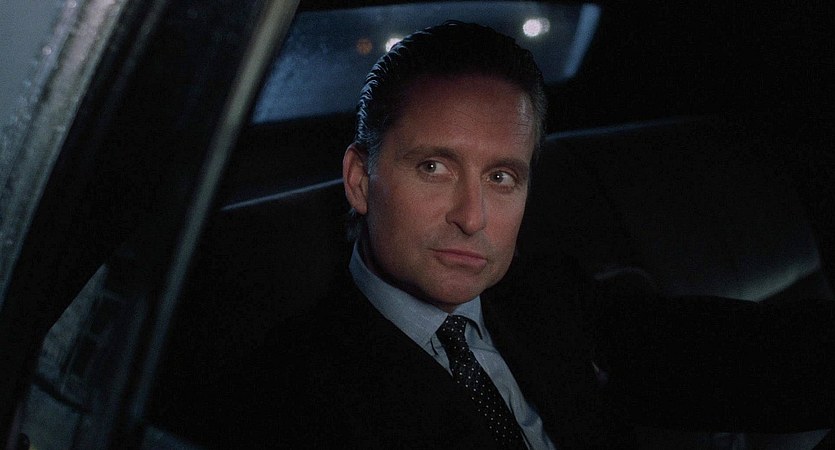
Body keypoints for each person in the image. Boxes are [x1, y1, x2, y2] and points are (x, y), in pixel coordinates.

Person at [224, 21, 834, 449]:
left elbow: (730, 357)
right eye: (433, 167)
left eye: (501, 177)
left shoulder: (545, 293)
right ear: (360, 181)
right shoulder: (293, 395)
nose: (472, 217)